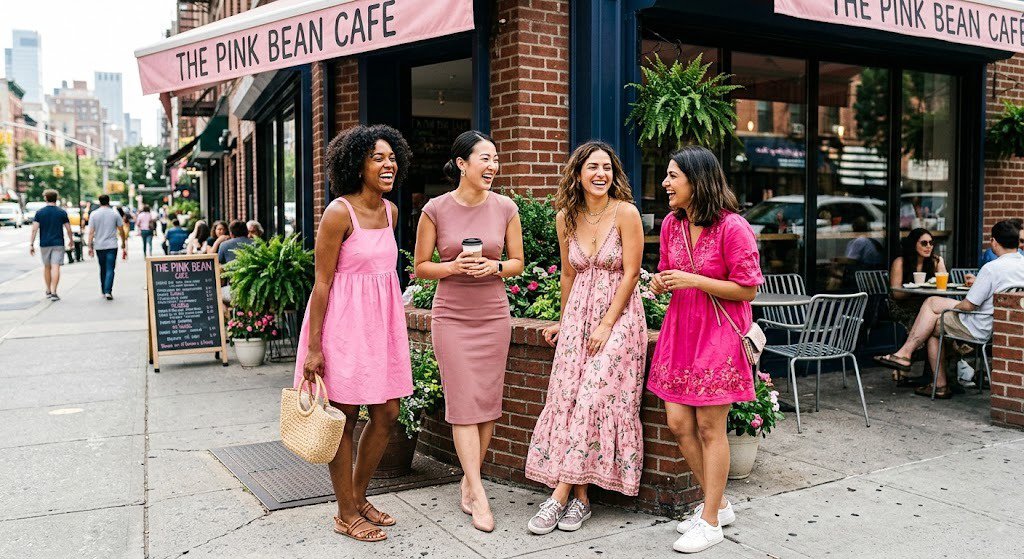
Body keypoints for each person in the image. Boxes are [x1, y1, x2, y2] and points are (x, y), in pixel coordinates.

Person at [294, 125, 415, 542]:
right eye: (377, 158)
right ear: (356, 164)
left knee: (387, 414)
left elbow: (383, 276)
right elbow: (323, 284)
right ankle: (345, 512)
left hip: (380, 327)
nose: (388, 164)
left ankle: (358, 498)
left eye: (391, 157)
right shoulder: (338, 213)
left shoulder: (391, 212)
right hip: (342, 328)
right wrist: (313, 347)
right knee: (342, 419)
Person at [525, 142, 647, 535]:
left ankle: (558, 496)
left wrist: (608, 324)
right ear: (578, 173)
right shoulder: (566, 217)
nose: (601, 174)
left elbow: (631, 274)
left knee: (594, 394)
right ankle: (581, 500)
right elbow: (568, 274)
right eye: (592, 167)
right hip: (578, 316)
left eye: (607, 167)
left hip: (620, 317)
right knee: (570, 397)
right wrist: (565, 322)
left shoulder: (626, 213)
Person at [646, 146, 763, 554]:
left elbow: (747, 287)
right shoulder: (671, 225)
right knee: (679, 423)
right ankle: (721, 503)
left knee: (711, 428)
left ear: (698, 180)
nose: (665, 183)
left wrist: (694, 280)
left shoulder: (733, 228)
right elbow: (667, 271)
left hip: (719, 336)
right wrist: (662, 283)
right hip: (681, 332)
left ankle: (710, 521)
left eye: (673, 175)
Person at [413, 130, 524, 533]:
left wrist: (494, 268)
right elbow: (421, 266)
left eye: (495, 159)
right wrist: (454, 268)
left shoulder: (506, 207)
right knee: (462, 403)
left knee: (487, 402)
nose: (492, 166)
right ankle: (478, 493)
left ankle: (467, 480)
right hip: (452, 317)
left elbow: (517, 263)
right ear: (462, 163)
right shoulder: (435, 210)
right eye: (484, 158)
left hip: (493, 315)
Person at [875, 220, 1024, 398]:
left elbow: (969, 305)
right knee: (932, 307)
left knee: (933, 323)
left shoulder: (992, 268)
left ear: (993, 241)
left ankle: (932, 378)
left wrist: (956, 307)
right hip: (1004, 326)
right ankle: (918, 365)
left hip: (979, 324)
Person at [886, 228, 947, 384]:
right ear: (914, 244)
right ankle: (909, 365)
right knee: (928, 321)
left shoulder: (936, 261)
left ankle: (932, 373)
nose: (928, 247)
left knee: (940, 320)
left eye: (931, 243)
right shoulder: (901, 262)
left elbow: (944, 289)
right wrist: (917, 288)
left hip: (927, 306)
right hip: (902, 305)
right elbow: (896, 294)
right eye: (924, 243)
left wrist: (940, 265)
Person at [28, 189, 73, 301]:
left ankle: (48, 290)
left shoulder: (39, 213)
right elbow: (68, 229)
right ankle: (54, 292)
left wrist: (31, 244)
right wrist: (71, 240)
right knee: (56, 266)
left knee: (47, 267)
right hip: (58, 243)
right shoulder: (61, 212)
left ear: (46, 198)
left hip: (45, 243)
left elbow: (34, 229)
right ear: (56, 198)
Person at [88, 195, 127, 300]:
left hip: (99, 245)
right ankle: (108, 291)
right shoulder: (115, 213)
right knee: (110, 268)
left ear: (99, 202)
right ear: (108, 201)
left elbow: (91, 232)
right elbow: (121, 229)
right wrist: (124, 242)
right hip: (112, 245)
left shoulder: (94, 214)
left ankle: (103, 290)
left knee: (102, 268)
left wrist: (89, 246)